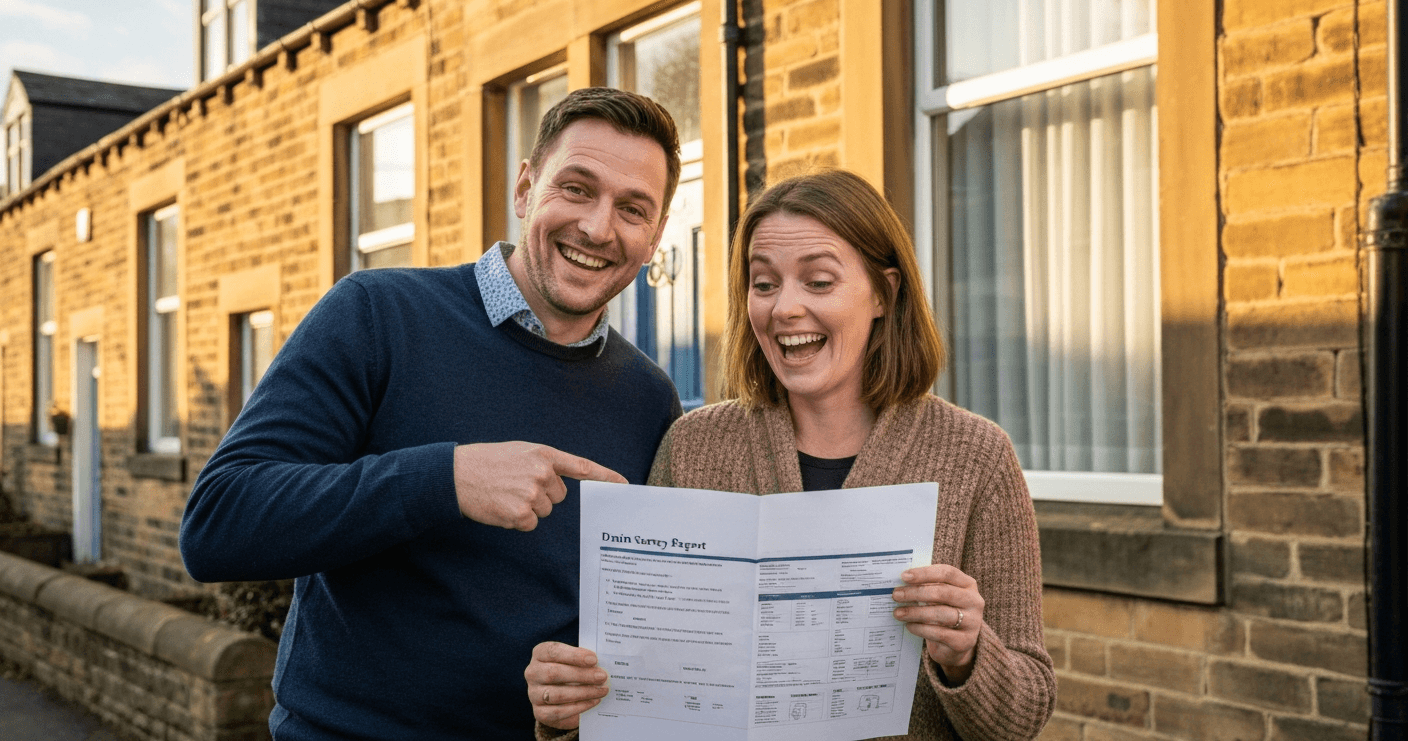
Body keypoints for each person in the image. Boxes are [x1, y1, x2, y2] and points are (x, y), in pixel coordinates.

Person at [179, 87, 684, 740]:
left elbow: (641, 622)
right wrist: (446, 480)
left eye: (633, 208)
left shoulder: (649, 398)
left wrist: (590, 692)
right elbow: (219, 522)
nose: (597, 227)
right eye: (577, 189)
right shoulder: (377, 315)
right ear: (526, 189)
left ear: (655, 237)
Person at [526, 169, 1055, 740]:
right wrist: (575, 715)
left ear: (884, 292)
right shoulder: (693, 448)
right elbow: (651, 694)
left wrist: (967, 653)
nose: (785, 309)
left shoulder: (975, 456)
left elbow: (1023, 717)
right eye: (764, 283)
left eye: (819, 281)